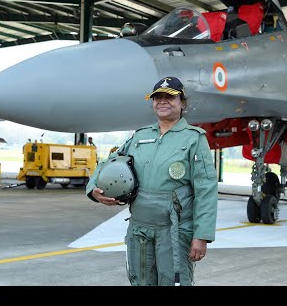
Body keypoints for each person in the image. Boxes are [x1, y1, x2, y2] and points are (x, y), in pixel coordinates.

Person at [86, 76, 218, 286]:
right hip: (139, 229)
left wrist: (201, 235)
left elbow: (206, 190)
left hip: (174, 232)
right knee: (140, 281)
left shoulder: (194, 138)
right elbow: (110, 162)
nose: (163, 101)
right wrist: (93, 187)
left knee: (173, 282)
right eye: (158, 97)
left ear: (182, 103)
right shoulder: (139, 137)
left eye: (170, 97)